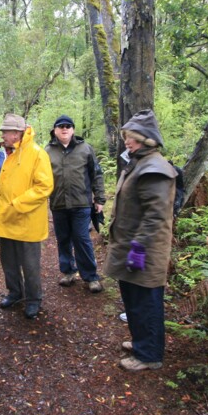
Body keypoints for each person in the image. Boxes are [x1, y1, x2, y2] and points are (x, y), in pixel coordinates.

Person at [104, 110, 177, 371]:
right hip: (131, 245)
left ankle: (149, 355)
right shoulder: (139, 163)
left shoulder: (154, 169)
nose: (127, 142)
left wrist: (139, 247)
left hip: (144, 250)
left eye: (131, 138)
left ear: (146, 139)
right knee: (133, 299)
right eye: (126, 137)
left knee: (146, 302)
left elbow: (156, 216)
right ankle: (140, 342)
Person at [0, 113, 54, 320]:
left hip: (27, 221)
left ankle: (34, 299)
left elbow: (44, 187)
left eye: (5, 132)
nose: (2, 136)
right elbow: (10, 181)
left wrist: (16, 204)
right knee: (9, 262)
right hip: (6, 219)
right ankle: (15, 293)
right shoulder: (10, 153)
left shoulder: (37, 154)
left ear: (16, 133)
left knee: (30, 265)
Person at [45, 114, 107, 293]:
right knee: (63, 239)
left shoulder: (85, 149)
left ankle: (91, 276)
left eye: (68, 126)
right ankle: (69, 271)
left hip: (82, 203)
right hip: (58, 204)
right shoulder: (47, 151)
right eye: (61, 126)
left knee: (82, 238)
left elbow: (96, 174)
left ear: (73, 130)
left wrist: (100, 199)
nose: (64, 128)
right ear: (55, 130)